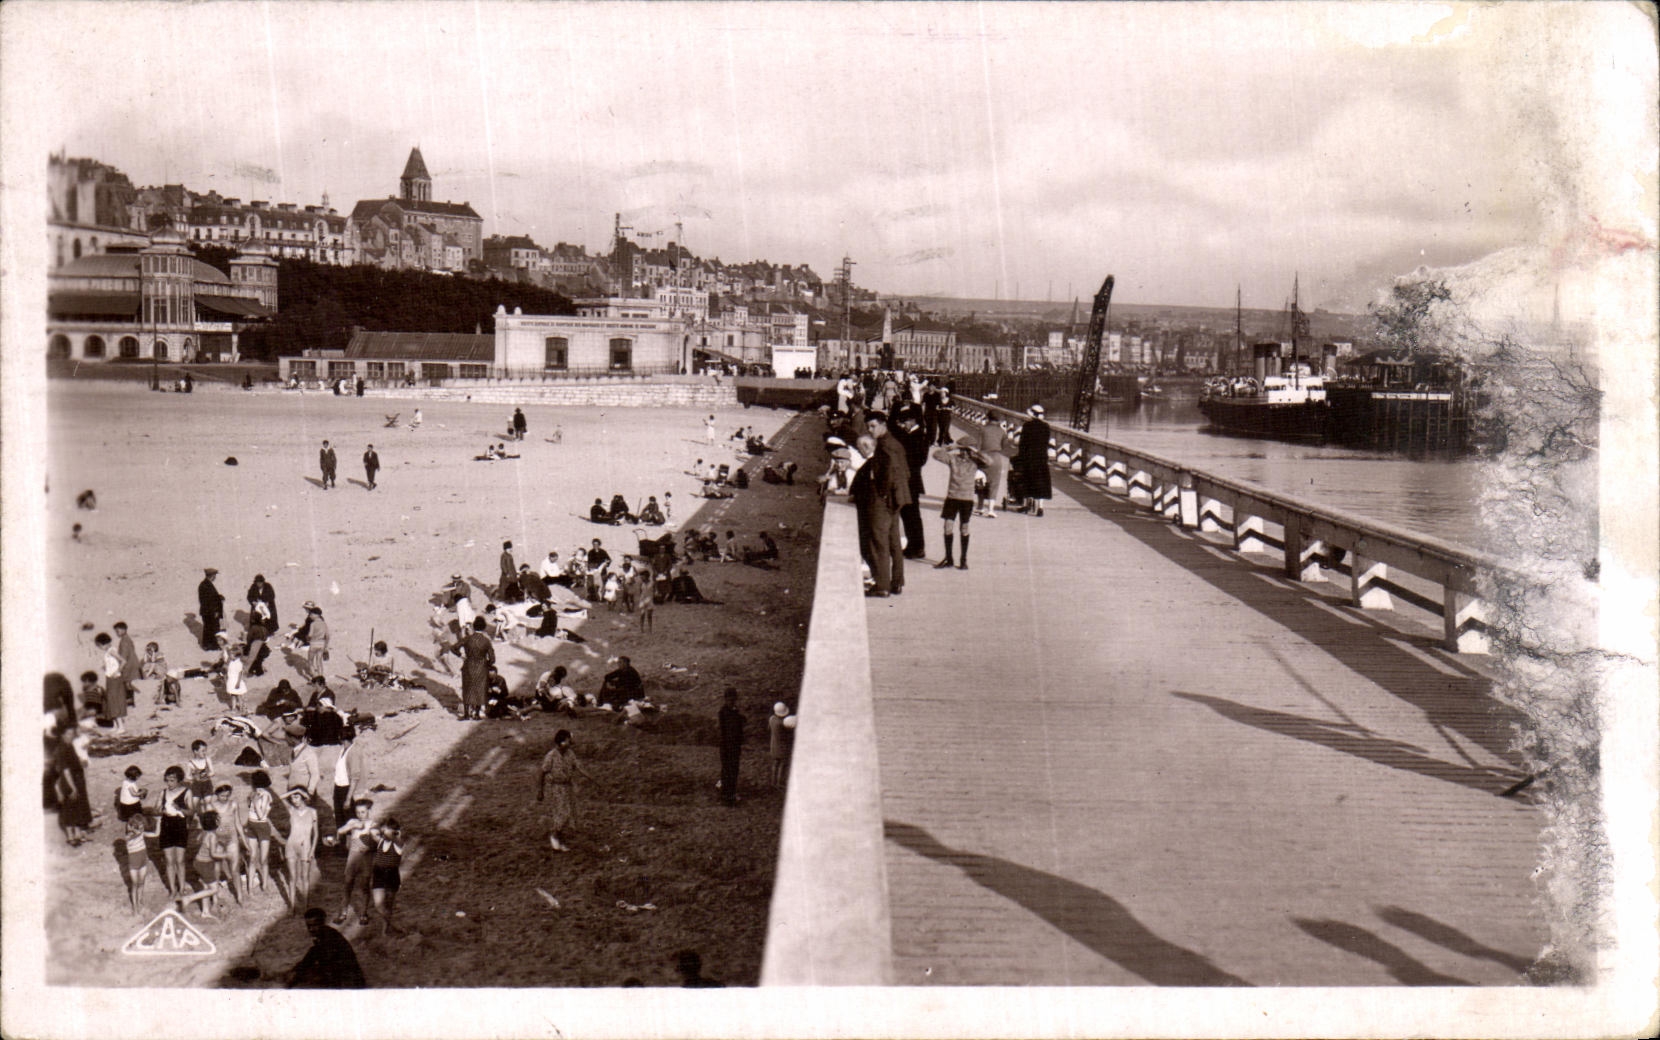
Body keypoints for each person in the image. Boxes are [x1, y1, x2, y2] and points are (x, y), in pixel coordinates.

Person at [859, 411, 912, 598]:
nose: (870, 430)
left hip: (884, 500)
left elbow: (888, 474)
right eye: (868, 427)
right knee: (894, 541)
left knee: (878, 542)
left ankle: (882, 585)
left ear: (883, 424)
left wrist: (882, 493)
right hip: (898, 498)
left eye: (873, 426)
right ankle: (897, 582)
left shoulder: (884, 446)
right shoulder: (895, 443)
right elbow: (906, 472)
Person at [537, 730, 596, 852]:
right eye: (568, 740)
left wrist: (591, 777)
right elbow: (542, 773)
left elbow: (578, 767)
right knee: (562, 813)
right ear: (562, 742)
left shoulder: (570, 754)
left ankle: (559, 839)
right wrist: (540, 791)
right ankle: (554, 836)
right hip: (555, 787)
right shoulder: (551, 756)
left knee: (569, 814)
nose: (570, 742)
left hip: (567, 787)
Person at [933, 436, 987, 570]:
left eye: (967, 451)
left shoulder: (975, 462)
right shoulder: (953, 459)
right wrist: (953, 447)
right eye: (962, 450)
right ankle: (948, 558)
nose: (964, 454)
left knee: (964, 528)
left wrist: (976, 452)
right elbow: (936, 454)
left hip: (966, 499)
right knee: (947, 526)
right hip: (952, 497)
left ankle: (963, 560)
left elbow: (989, 462)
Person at [289, 908, 367, 988]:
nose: (311, 929)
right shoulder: (323, 934)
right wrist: (298, 969)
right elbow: (313, 952)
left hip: (347, 978)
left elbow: (332, 967)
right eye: (308, 926)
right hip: (339, 970)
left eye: (315, 925)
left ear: (322, 923)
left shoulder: (329, 939)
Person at [332, 798, 379, 926]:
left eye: (363, 812)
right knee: (347, 884)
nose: (360, 815)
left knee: (364, 886)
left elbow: (377, 842)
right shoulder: (353, 821)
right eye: (358, 812)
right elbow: (341, 830)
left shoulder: (373, 824)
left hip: (366, 858)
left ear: (369, 811)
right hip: (353, 857)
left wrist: (371, 844)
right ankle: (343, 913)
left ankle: (363, 913)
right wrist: (351, 826)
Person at [893, 409, 931, 559]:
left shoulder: (919, 436)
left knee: (912, 515)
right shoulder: (912, 435)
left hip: (911, 480)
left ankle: (917, 547)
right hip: (910, 480)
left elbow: (919, 459)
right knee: (909, 514)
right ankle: (913, 546)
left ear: (912, 421)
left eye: (904, 422)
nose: (903, 426)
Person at [155, 766, 192, 896]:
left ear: (179, 780)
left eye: (172, 780)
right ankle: (172, 889)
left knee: (180, 860)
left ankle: (181, 888)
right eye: (167, 780)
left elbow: (191, 811)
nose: (169, 783)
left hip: (180, 825)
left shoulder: (186, 792)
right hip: (166, 825)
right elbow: (156, 810)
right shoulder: (163, 792)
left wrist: (180, 808)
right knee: (169, 860)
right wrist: (162, 810)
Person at [282, 786, 319, 913]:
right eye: (292, 798)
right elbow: (281, 798)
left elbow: (316, 833)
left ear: (303, 797)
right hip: (291, 845)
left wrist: (312, 850)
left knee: (305, 877)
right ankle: (292, 906)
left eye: (297, 797)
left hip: (306, 847)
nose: (294, 800)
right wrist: (294, 791)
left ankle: (306, 906)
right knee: (292, 877)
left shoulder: (312, 812)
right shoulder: (291, 810)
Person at [368, 818, 405, 935]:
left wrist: (395, 834)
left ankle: (385, 930)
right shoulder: (380, 841)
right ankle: (394, 926)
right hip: (378, 873)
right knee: (378, 905)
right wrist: (380, 827)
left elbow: (397, 839)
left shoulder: (398, 843)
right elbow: (372, 831)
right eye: (384, 830)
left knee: (388, 905)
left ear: (394, 831)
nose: (384, 832)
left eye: (387, 830)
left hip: (391, 875)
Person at [1015, 404, 1053, 516]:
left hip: (1029, 458)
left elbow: (1022, 444)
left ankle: (1027, 504)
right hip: (1041, 458)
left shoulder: (1027, 426)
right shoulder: (1046, 426)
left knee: (1028, 480)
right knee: (1041, 482)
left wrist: (1020, 456)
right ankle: (1040, 507)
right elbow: (1046, 442)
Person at [244, 770, 277, 896]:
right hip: (251, 825)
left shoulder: (266, 796)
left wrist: (255, 801)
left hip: (262, 826)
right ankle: (250, 887)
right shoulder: (253, 793)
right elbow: (248, 807)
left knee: (263, 859)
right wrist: (251, 799)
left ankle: (265, 885)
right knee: (252, 858)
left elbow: (261, 815)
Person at [460, 616, 494, 721]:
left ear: (474, 627)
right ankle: (477, 714)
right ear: (484, 627)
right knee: (480, 689)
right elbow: (492, 659)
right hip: (481, 666)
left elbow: (454, 648)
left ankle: (466, 714)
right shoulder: (486, 641)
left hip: (468, 665)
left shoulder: (468, 638)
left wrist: (461, 655)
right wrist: (486, 664)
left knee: (467, 688)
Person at [717, 687, 745, 807]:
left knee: (732, 770)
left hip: (733, 746)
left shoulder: (730, 712)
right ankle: (727, 796)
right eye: (730, 699)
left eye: (733, 699)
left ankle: (729, 793)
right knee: (728, 771)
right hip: (728, 746)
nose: (732, 701)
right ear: (726, 699)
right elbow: (731, 728)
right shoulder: (725, 712)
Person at [95, 632, 128, 732]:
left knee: (114, 701)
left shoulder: (111, 650)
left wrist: (117, 671)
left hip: (115, 678)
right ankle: (115, 725)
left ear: (102, 644)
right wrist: (105, 667)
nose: (99, 648)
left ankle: (121, 726)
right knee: (110, 700)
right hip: (110, 678)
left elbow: (123, 661)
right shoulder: (108, 652)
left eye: (99, 646)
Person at [122, 814, 154, 915]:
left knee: (141, 882)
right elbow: (130, 837)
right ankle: (135, 906)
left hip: (142, 859)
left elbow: (145, 831)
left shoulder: (140, 831)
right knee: (134, 884)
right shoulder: (128, 836)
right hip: (134, 862)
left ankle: (139, 900)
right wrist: (135, 830)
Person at [768, 702, 796, 789]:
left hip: (773, 745)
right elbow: (787, 736)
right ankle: (779, 782)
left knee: (775, 763)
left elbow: (768, 729)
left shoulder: (772, 719)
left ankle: (773, 781)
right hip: (782, 748)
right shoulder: (783, 723)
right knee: (782, 765)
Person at [114, 621, 140, 710]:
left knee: (126, 683)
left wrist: (119, 668)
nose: (117, 633)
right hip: (132, 663)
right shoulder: (127, 639)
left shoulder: (124, 641)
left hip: (128, 665)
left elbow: (124, 656)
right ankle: (130, 700)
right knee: (128, 683)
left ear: (124, 630)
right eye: (116, 631)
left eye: (118, 631)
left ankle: (129, 700)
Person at [303, 605, 330, 680]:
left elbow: (310, 635)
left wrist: (307, 639)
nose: (310, 616)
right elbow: (327, 636)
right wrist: (326, 646)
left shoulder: (313, 624)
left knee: (310, 661)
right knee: (319, 662)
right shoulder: (324, 624)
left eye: (311, 614)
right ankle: (321, 677)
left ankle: (315, 678)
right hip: (322, 644)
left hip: (314, 644)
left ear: (316, 615)